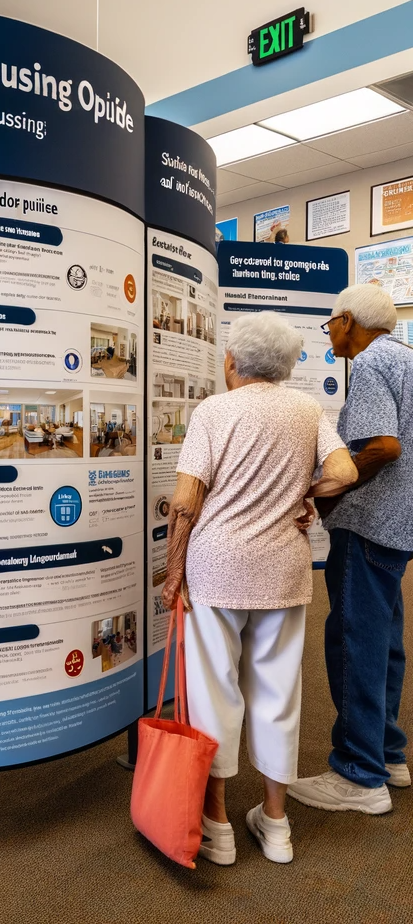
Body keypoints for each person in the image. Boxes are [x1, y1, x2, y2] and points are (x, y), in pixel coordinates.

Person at [161, 311, 357, 865]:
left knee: (212, 692)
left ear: (232, 362)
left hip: (216, 570)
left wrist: (174, 575)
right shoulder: (307, 409)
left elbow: (184, 501)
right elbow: (344, 472)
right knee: (277, 693)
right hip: (282, 571)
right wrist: (307, 495)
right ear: (288, 364)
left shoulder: (213, 411)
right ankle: (276, 824)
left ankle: (218, 826)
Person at [289, 285, 413, 815]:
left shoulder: (370, 362)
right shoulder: (406, 356)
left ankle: (359, 775)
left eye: (331, 325)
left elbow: (384, 446)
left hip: (368, 526)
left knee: (353, 642)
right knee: (384, 640)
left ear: (345, 321)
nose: (331, 334)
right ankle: (387, 754)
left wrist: (326, 487)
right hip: (398, 526)